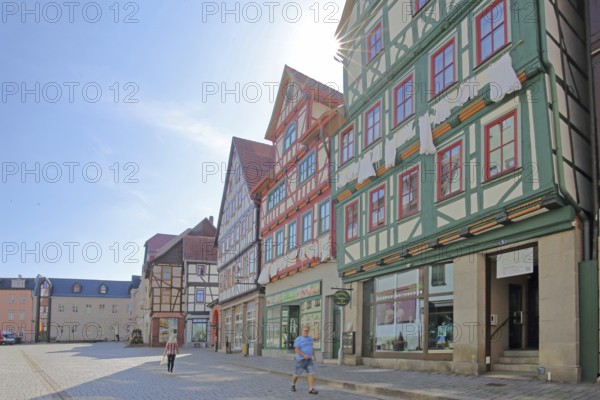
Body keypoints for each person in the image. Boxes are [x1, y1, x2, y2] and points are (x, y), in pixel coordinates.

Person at [291, 326, 318, 395]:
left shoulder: (310, 339)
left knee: (311, 373)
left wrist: (314, 356)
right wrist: (303, 355)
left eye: (307, 331)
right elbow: (296, 350)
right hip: (301, 360)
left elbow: (311, 348)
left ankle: (311, 389)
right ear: (302, 331)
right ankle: (293, 384)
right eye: (305, 330)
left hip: (309, 360)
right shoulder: (298, 339)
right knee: (297, 374)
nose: (306, 332)